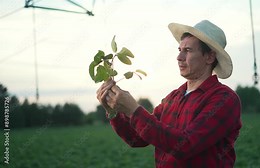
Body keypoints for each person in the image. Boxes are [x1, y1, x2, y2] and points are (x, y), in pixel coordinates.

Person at [96, 20, 242, 168]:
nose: (179, 57)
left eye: (188, 50)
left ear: (210, 57)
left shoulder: (224, 99)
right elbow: (137, 139)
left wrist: (134, 110)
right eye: (180, 50)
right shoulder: (173, 97)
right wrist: (113, 111)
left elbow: (185, 145)